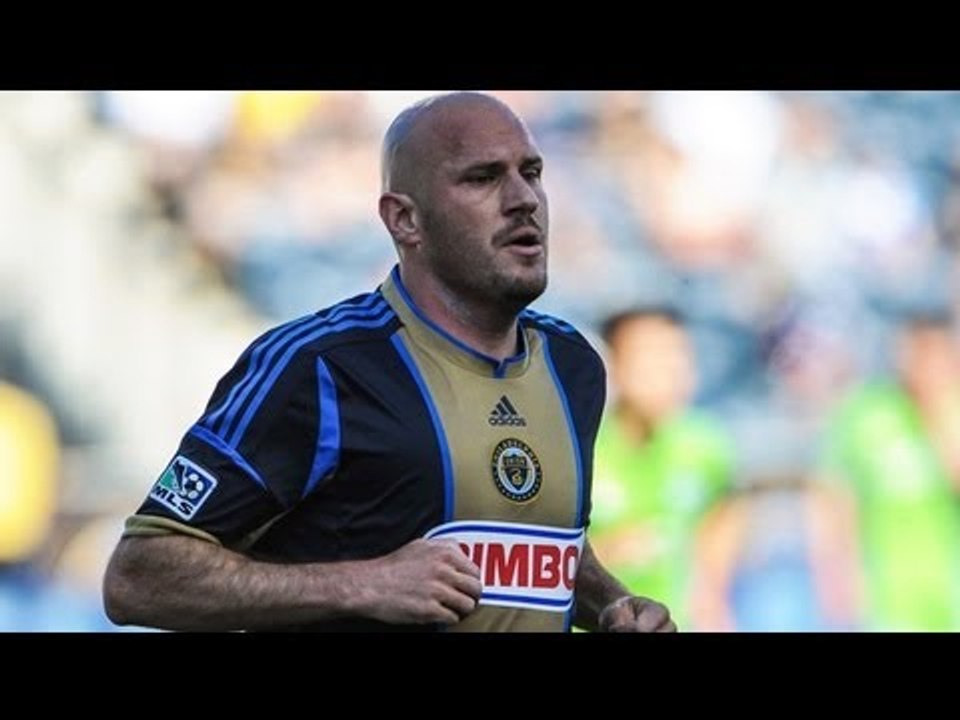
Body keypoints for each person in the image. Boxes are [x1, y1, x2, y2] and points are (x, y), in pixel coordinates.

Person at [102, 91, 676, 632]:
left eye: (531, 172)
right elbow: (139, 575)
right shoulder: (319, 366)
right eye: (482, 178)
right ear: (405, 219)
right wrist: (361, 583)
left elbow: (542, 550)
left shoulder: (574, 367)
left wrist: (611, 603)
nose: (523, 199)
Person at [588, 307, 732, 628]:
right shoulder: (580, 448)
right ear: (613, 364)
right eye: (651, 357)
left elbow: (715, 568)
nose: (669, 370)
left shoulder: (707, 447)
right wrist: (612, 552)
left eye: (678, 355)